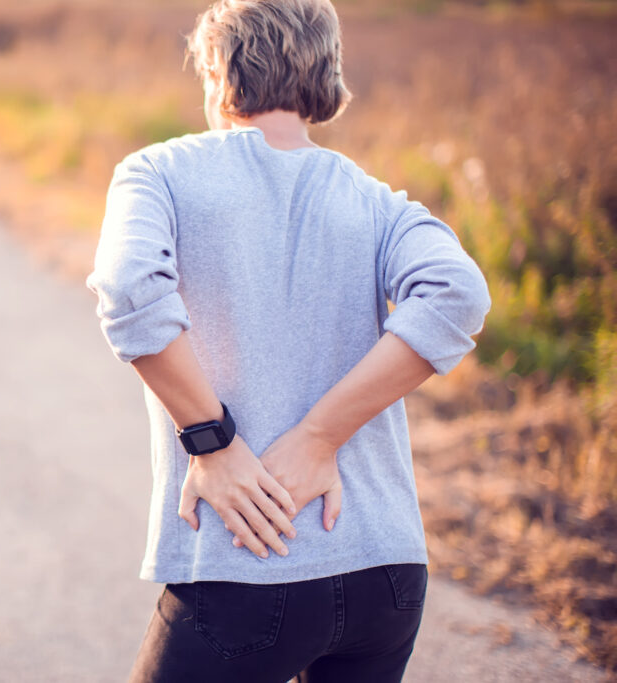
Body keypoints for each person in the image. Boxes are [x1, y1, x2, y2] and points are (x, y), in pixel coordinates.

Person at [85, 0, 492, 681]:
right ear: (324, 76)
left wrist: (212, 441)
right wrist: (321, 437)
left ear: (217, 71)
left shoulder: (158, 173)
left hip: (248, 567)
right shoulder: (374, 199)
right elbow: (459, 293)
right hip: (386, 576)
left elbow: (128, 290)